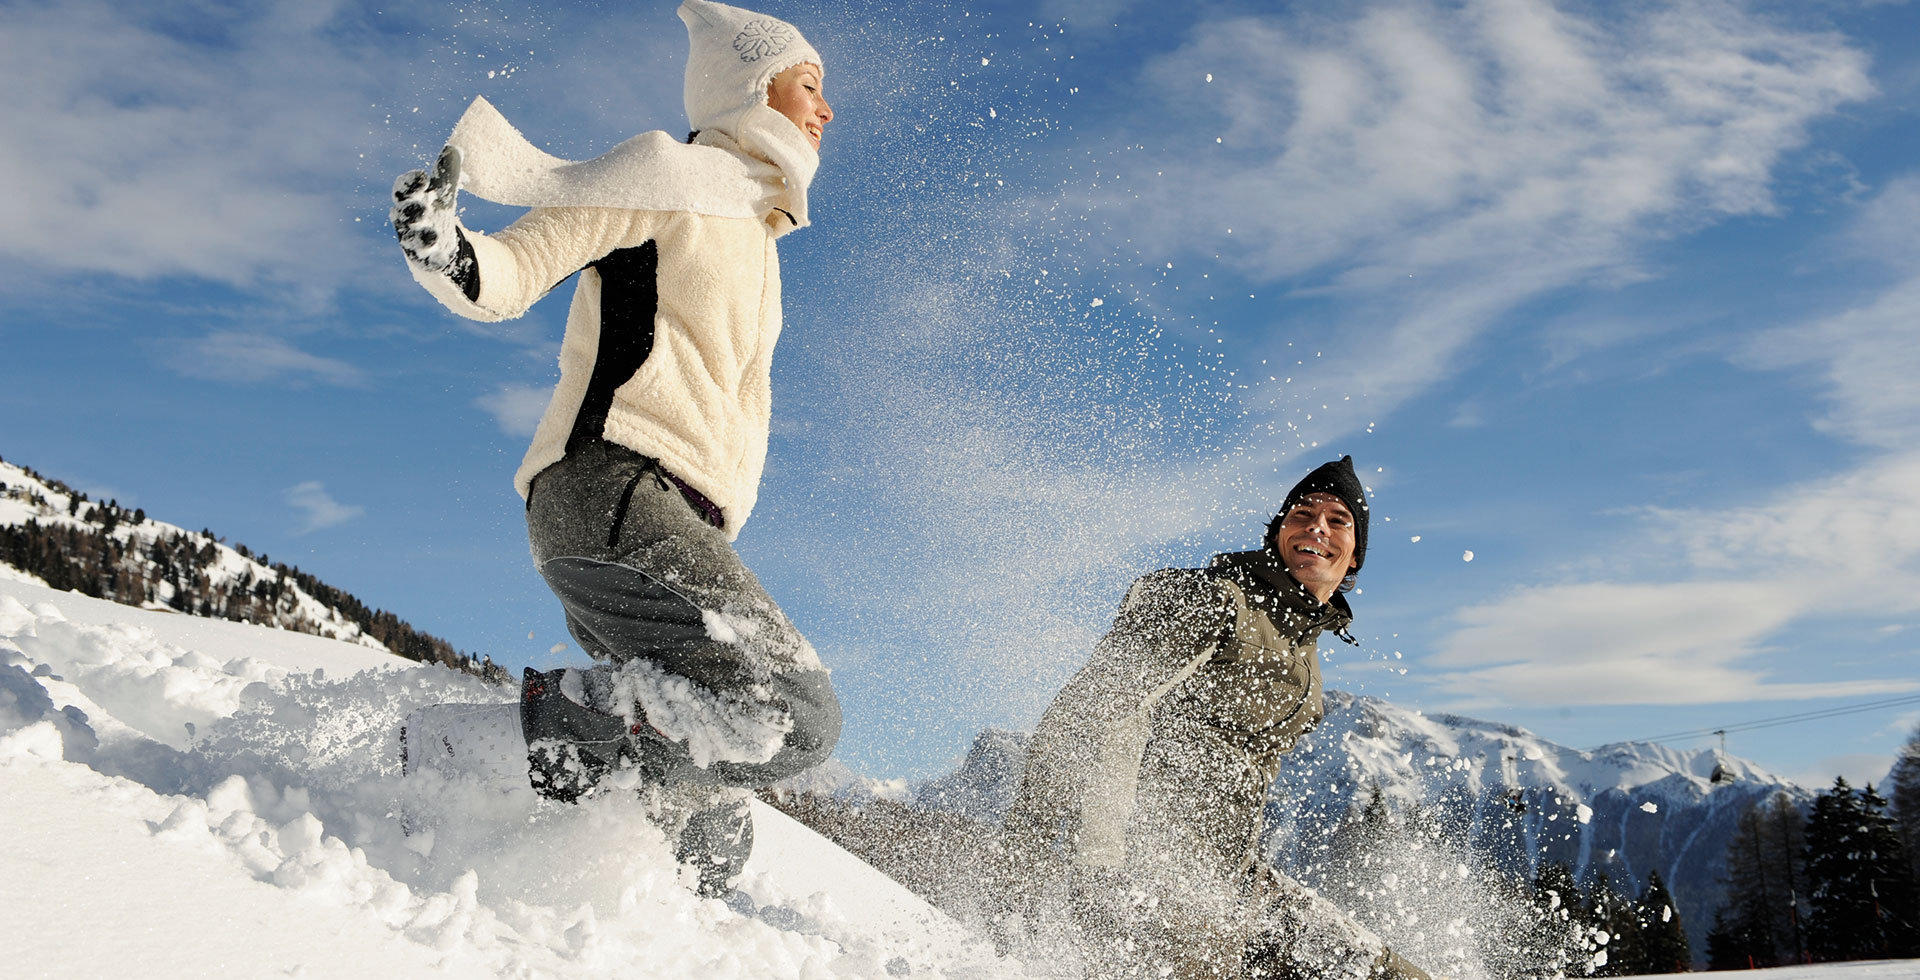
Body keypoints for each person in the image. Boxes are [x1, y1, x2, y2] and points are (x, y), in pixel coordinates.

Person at [388, 0, 840, 898]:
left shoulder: (754, 229)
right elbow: (518, 268)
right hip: (616, 492)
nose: (826, 111)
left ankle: (552, 884)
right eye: (810, 86)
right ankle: (473, 746)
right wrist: (447, 252)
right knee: (795, 717)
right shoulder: (669, 177)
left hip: (665, 523)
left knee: (710, 825)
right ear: (755, 86)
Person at [996, 456, 1431, 979]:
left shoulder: (1305, 650)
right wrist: (1026, 858)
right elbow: (1085, 711)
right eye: (1301, 513)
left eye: (1338, 519)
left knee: (1384, 973)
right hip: (1138, 867)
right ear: (1278, 534)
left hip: (1225, 875)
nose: (1317, 525)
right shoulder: (1210, 598)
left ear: (1354, 556)